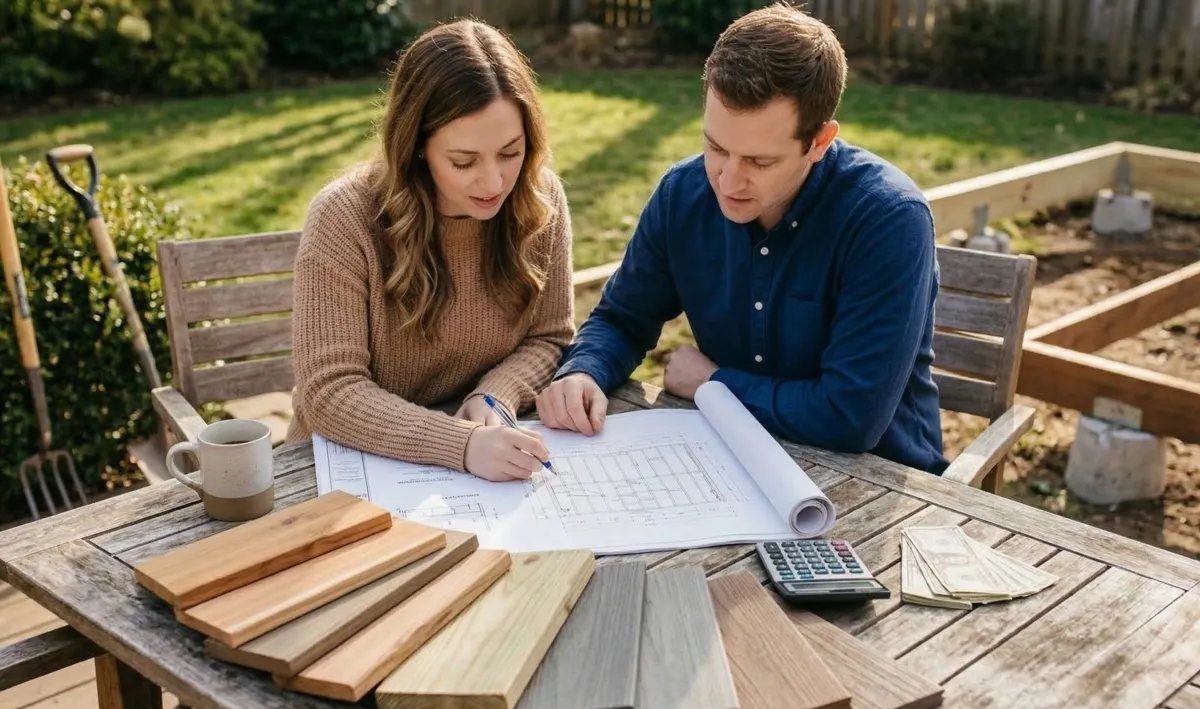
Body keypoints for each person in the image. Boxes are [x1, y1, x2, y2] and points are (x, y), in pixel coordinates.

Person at [536, 4, 949, 475]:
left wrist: (715, 383)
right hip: (727, 460)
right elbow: (623, 318)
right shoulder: (683, 194)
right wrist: (584, 370)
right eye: (716, 147)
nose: (728, 181)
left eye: (759, 161)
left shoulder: (888, 220)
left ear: (819, 141)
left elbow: (850, 417)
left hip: (881, 479)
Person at [286, 19, 576, 482]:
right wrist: (459, 444)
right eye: (463, 161)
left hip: (481, 467)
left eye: (510, 152)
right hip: (337, 471)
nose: (494, 182)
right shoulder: (344, 217)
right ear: (417, 147)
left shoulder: (538, 200)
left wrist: (495, 395)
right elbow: (329, 392)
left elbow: (550, 337)